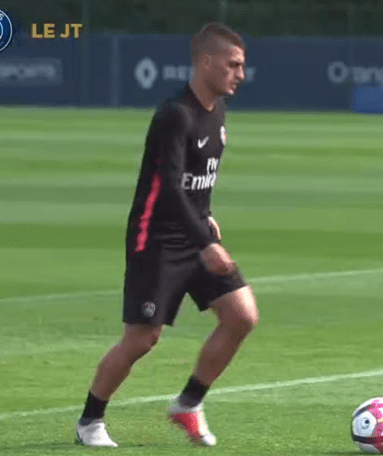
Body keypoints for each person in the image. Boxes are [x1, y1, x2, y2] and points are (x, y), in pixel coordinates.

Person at [75, 23, 257, 447]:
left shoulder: (218, 113)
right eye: (233, 65)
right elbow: (169, 186)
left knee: (241, 316)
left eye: (242, 66)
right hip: (155, 239)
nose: (240, 74)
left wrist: (206, 217)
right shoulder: (175, 114)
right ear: (206, 62)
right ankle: (89, 421)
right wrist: (206, 241)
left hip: (194, 236)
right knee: (142, 339)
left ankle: (188, 404)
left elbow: (198, 184)